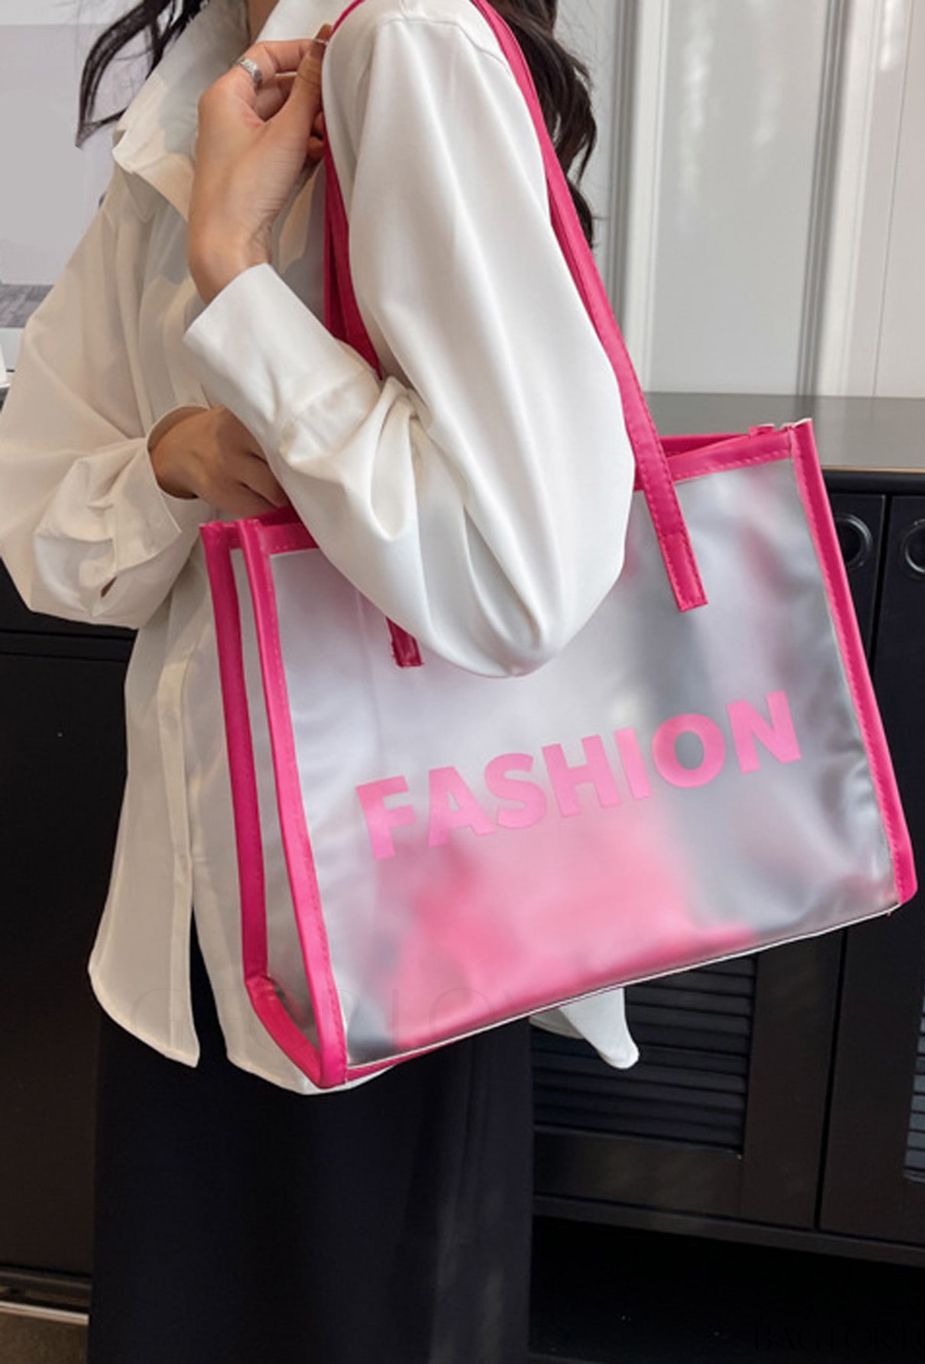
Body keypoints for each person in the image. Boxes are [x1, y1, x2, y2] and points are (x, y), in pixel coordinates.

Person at [0, 0, 639, 1359]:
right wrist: (170, 462)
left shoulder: (409, 43)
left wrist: (237, 277)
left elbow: (521, 579)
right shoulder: (199, 84)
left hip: (398, 913)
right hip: (188, 915)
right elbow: (39, 519)